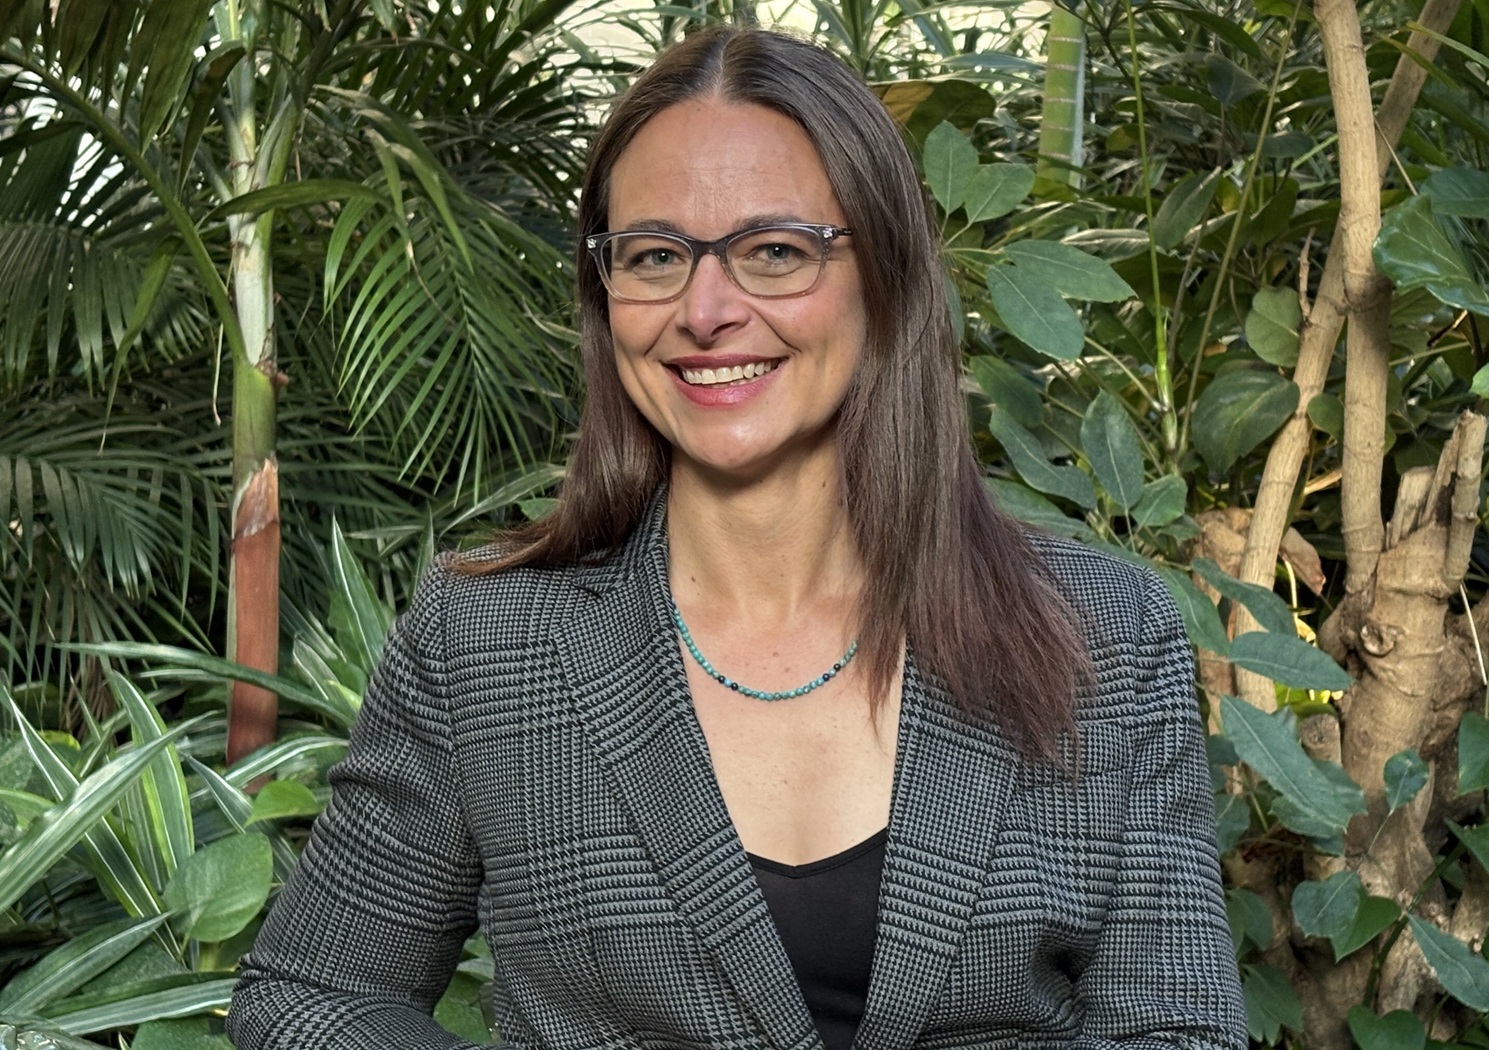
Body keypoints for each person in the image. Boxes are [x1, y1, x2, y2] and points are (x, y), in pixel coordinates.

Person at [227, 25, 1245, 1050]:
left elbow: (1178, 1029)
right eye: (658, 256)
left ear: (883, 277)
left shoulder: (1102, 636)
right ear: (606, 290)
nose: (707, 310)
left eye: (774, 252)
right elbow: (310, 996)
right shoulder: (485, 642)